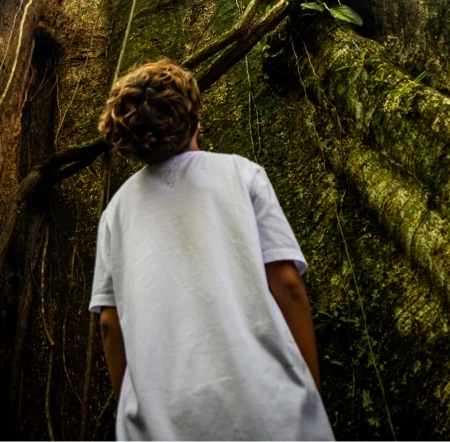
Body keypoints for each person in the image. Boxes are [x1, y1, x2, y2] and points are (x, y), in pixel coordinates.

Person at [89, 59, 335, 441]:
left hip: (162, 426)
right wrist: (312, 394)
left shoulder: (114, 214)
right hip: (270, 408)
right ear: (194, 119)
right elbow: (286, 284)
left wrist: (138, 415)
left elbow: (109, 324)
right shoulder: (241, 173)